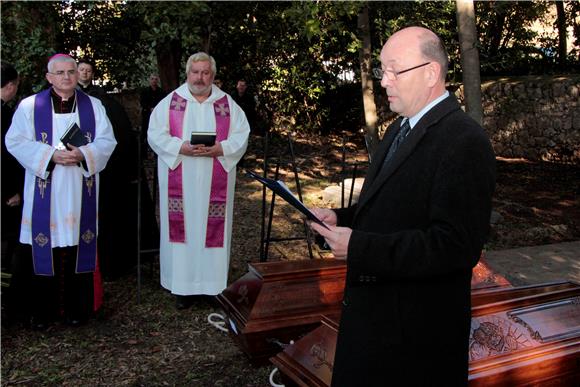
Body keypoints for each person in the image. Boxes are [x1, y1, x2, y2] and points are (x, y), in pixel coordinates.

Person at [309, 26, 496, 386]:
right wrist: (339, 219)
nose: (384, 81)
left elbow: (455, 245)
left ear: (430, 72)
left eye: (395, 70)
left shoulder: (464, 141)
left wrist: (359, 247)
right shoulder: (399, 130)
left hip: (414, 343)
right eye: (382, 70)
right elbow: (391, 209)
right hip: (373, 327)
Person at [5, 54, 116, 329]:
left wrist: (84, 153)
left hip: (80, 189)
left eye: (71, 71)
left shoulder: (94, 106)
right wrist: (49, 156)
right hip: (46, 190)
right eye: (60, 73)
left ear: (78, 75)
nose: (66, 77)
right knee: (44, 247)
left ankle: (78, 309)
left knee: (78, 244)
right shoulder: (30, 106)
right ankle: (43, 312)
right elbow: (14, 141)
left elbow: (107, 141)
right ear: (49, 77)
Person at [148, 52, 249, 309]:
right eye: (196, 72)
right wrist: (179, 146)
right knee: (182, 230)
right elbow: (155, 135)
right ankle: (182, 288)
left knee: (212, 229)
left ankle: (212, 286)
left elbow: (241, 136)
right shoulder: (170, 103)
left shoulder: (227, 105)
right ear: (187, 73)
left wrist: (221, 149)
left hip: (215, 181)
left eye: (205, 73)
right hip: (179, 179)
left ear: (213, 76)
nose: (200, 78)